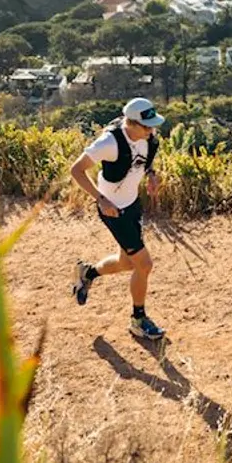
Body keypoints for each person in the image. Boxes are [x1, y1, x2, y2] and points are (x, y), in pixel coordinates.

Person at [68, 96, 167, 340]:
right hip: (113, 211)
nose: (152, 130)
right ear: (130, 123)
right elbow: (76, 170)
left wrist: (152, 175)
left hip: (132, 205)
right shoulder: (109, 143)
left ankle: (87, 274)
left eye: (153, 124)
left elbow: (144, 163)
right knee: (144, 264)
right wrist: (101, 199)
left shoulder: (148, 139)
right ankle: (138, 319)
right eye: (147, 126)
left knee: (127, 263)